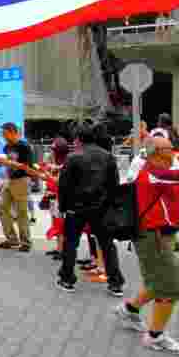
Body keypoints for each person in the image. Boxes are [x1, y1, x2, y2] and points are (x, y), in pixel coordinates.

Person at [113, 136, 179, 354]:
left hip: (160, 236)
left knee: (156, 282)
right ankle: (155, 336)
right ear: (156, 153)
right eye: (170, 150)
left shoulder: (161, 174)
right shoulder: (155, 174)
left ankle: (129, 310)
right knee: (170, 286)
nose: (175, 153)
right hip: (155, 238)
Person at [55, 124, 125, 297]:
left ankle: (67, 279)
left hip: (76, 208)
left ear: (78, 139)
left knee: (70, 244)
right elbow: (114, 184)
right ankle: (115, 282)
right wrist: (112, 206)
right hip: (101, 207)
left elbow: (64, 186)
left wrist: (63, 207)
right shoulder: (108, 156)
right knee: (107, 245)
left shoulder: (72, 158)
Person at [0, 122, 34, 252]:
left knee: (21, 212)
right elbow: (9, 163)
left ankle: (25, 241)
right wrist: (2, 163)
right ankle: (12, 239)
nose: (3, 136)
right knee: (2, 208)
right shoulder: (7, 147)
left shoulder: (24, 146)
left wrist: (8, 162)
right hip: (10, 180)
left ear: (12, 132)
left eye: (4, 133)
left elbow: (27, 166)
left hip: (22, 180)